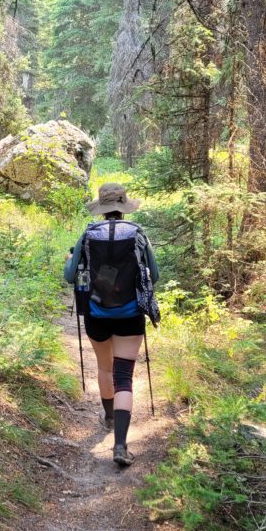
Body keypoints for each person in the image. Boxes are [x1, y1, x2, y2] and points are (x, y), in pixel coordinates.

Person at [64, 183, 159, 466]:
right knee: (123, 377)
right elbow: (153, 276)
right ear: (124, 206)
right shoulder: (138, 234)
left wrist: (71, 259)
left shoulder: (88, 235)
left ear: (102, 209)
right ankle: (120, 445)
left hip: (96, 313)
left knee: (104, 368)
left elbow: (71, 277)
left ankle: (107, 416)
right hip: (131, 315)